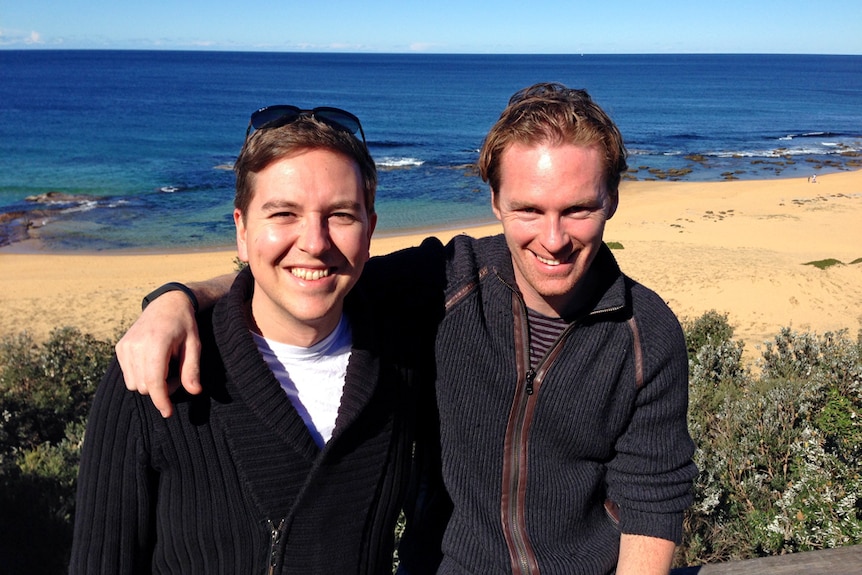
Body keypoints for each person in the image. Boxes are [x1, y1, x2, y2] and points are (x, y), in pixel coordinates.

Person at [116, 83, 697, 574]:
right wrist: (178, 298)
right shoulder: (443, 281)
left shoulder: (646, 334)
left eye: (577, 209)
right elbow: (310, 271)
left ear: (612, 200)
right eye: (528, 209)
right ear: (493, 200)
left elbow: (652, 503)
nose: (552, 238)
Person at [70, 106, 444, 574]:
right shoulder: (158, 372)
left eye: (341, 215)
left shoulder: (400, 347)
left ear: (370, 230)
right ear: (242, 231)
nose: (314, 241)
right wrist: (175, 297)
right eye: (283, 213)